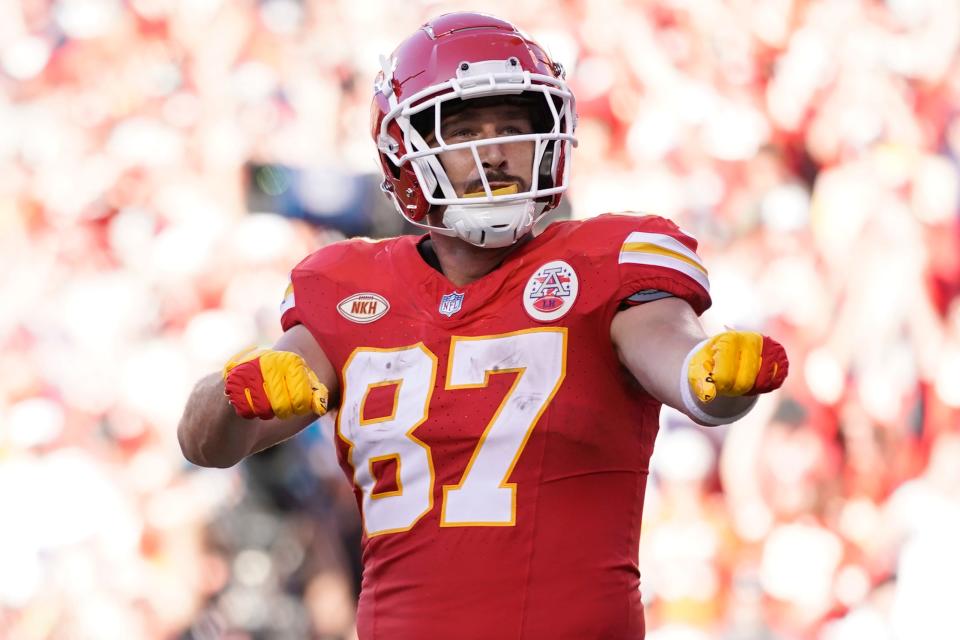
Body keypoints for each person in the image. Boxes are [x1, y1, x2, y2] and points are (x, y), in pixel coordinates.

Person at [177, 12, 788, 639]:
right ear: (402, 148)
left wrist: (707, 375)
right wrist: (232, 395)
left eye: (512, 128)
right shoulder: (351, 289)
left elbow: (675, 354)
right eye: (463, 127)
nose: (492, 151)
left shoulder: (606, 261)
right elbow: (206, 445)